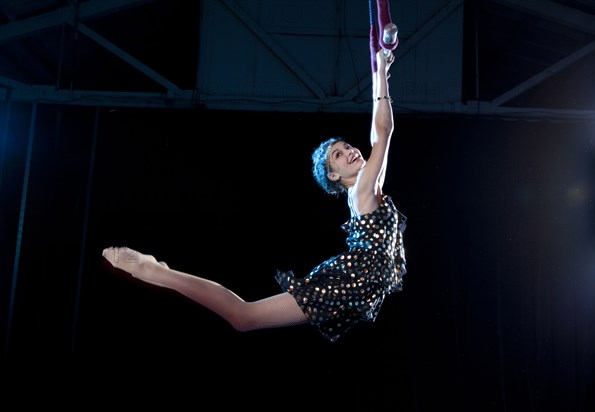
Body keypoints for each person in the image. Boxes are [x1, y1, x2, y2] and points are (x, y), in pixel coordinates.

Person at [102, 48, 407, 343]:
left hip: (355, 283)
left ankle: (159, 272)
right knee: (243, 317)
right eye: (338, 155)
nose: (350, 151)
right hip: (349, 281)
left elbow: (381, 136)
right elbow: (383, 132)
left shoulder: (369, 187)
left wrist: (383, 73)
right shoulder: (362, 188)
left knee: (243, 318)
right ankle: (155, 271)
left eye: (346, 147)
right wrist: (381, 74)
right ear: (334, 176)